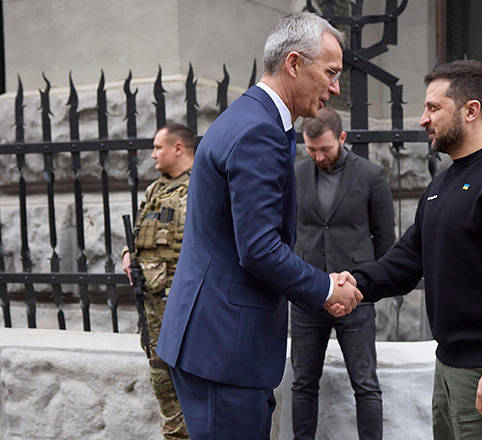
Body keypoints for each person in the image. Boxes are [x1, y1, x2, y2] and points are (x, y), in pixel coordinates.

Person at [154, 12, 363, 440]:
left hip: (216, 345)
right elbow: (260, 249)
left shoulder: (252, 118)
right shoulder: (259, 131)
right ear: (293, 63)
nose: (336, 87)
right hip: (224, 351)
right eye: (331, 72)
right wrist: (325, 289)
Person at [343, 60, 482, 440]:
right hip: (450, 365)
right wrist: (355, 283)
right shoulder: (443, 182)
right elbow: (407, 259)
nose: (423, 119)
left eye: (434, 107)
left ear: (471, 110)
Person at [291, 108, 395, 440]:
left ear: (342, 138)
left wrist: (367, 288)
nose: (319, 156)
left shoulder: (371, 175)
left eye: (325, 148)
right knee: (303, 383)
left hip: (355, 297)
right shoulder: (295, 175)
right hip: (308, 295)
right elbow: (290, 233)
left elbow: (385, 240)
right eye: (311, 149)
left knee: (365, 384)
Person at [121, 122, 195, 440]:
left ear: (178, 148)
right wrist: (128, 254)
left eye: (158, 147)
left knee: (189, 381)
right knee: (161, 379)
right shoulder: (156, 190)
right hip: (152, 304)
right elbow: (141, 231)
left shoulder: (201, 187)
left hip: (182, 302)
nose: (152, 155)